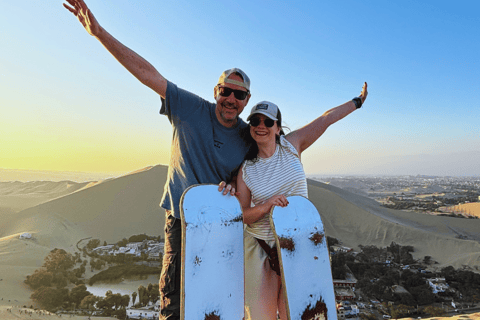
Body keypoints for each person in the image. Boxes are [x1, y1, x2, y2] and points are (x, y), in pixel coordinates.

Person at [63, 1, 252, 319]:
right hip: (181, 219)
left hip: (221, 223)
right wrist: (98, 33)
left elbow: (270, 158)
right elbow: (146, 73)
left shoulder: (249, 135)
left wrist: (233, 184)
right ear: (216, 91)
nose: (231, 99)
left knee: (217, 300)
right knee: (174, 299)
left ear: (246, 100)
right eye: (226, 91)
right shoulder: (191, 108)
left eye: (239, 94)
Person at [236, 83, 368, 319]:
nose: (261, 126)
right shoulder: (246, 170)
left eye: (267, 121)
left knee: (297, 314)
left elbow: (326, 119)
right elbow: (243, 215)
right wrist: (267, 206)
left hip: (299, 245)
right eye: (255, 121)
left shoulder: (292, 146)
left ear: (277, 127)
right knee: (260, 316)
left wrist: (357, 102)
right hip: (260, 248)